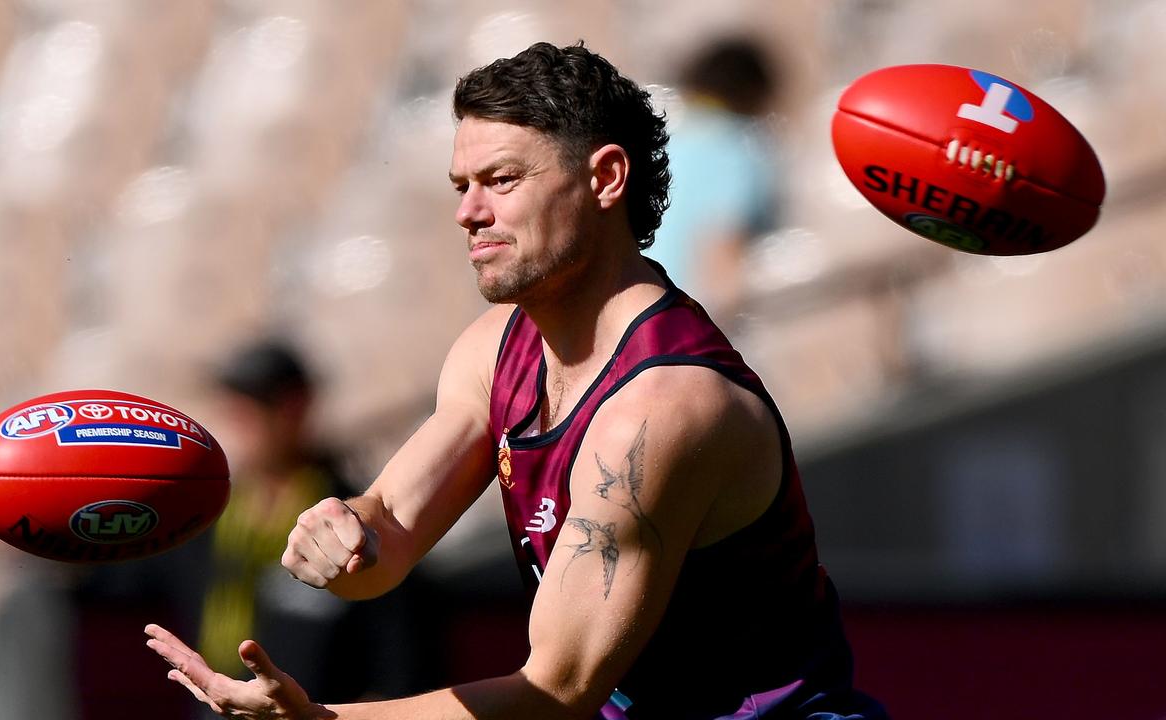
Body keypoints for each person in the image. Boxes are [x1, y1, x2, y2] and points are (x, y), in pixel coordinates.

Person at [146, 41, 887, 720]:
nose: (469, 212)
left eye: (501, 180)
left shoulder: (665, 410)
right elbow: (391, 531)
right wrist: (343, 540)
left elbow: (557, 692)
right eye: (462, 184)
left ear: (604, 178)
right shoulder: (493, 350)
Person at [194, 339, 422, 707]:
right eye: (229, 412)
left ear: (293, 411)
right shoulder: (209, 518)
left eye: (245, 413)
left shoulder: (352, 523)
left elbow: (401, 668)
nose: (233, 429)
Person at [646, 36, 783, 317]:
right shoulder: (738, 150)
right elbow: (722, 265)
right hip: (687, 325)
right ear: (756, 92)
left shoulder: (666, 142)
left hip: (642, 320)